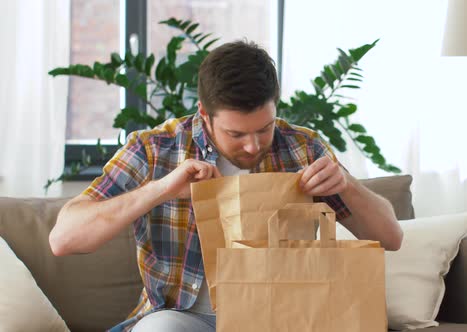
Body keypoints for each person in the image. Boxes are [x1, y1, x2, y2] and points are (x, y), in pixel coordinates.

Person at [49, 40, 403, 332]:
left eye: (264, 128)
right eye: (236, 134)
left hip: (284, 316)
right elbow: (63, 239)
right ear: (204, 113)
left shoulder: (302, 147)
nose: (253, 145)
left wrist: (348, 185)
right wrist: (161, 189)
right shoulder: (155, 148)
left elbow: (391, 238)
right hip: (183, 319)